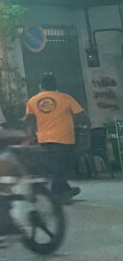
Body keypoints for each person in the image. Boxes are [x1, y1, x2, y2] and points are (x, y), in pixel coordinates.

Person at [26, 72, 88, 201]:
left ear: (40, 86)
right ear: (55, 85)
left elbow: (30, 121)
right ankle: (57, 196)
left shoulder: (32, 100)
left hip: (43, 139)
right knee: (61, 166)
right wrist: (77, 123)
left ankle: (66, 189)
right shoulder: (66, 98)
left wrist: (31, 136)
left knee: (56, 166)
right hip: (64, 138)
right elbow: (81, 116)